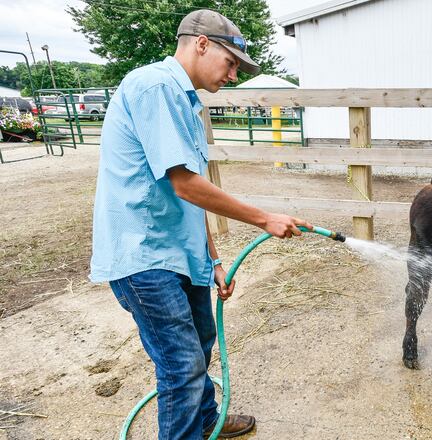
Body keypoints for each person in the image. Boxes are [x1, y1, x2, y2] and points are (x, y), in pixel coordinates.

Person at [90, 9, 312, 439]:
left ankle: (206, 417)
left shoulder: (186, 101)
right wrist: (264, 218)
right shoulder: (156, 86)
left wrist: (212, 259)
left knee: (201, 340)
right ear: (201, 43)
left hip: (175, 250)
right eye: (231, 63)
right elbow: (185, 184)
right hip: (144, 255)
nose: (233, 75)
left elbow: (190, 192)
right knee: (181, 365)